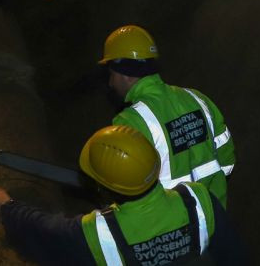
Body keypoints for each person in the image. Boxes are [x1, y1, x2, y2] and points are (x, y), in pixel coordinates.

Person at [0, 125, 246, 264]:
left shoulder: (96, 234)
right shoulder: (199, 199)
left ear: (106, 187)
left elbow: (43, 229)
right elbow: (233, 258)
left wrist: (7, 205)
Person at [100, 24, 235, 208]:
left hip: (175, 231)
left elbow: (130, 194)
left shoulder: (129, 122)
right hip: (215, 217)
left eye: (112, 74)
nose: (110, 82)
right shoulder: (196, 98)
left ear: (125, 74)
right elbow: (227, 157)